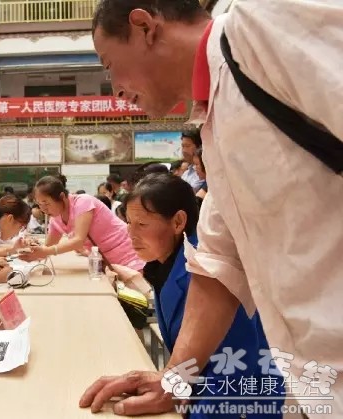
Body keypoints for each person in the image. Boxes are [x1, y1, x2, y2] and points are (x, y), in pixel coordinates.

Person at [89, 0, 343, 415]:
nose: (114, 88)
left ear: (144, 26)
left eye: (109, 65)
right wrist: (173, 380)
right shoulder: (216, 125)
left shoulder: (260, 26)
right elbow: (220, 264)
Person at [81, 173, 283, 417]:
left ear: (178, 222)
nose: (130, 234)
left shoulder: (210, 273)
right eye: (129, 223)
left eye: (142, 224)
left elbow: (236, 366)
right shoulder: (166, 262)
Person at [21, 175, 144, 272]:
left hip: (127, 251)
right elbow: (47, 248)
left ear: (62, 196)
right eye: (39, 204)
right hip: (105, 261)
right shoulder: (55, 219)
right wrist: (32, 252)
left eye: (46, 203)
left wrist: (46, 251)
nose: (43, 209)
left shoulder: (83, 201)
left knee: (139, 291)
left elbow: (78, 240)